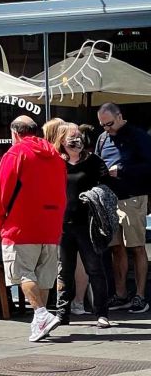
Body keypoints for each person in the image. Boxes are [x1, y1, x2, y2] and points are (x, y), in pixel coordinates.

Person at [0, 115, 67, 342]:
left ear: (15, 133)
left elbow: (1, 193)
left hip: (22, 224)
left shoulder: (15, 153)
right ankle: (40, 323)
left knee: (24, 273)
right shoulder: (56, 156)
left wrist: (0, 222)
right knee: (43, 278)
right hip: (51, 224)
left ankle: (41, 314)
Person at [49, 119, 112, 328]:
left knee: (95, 268)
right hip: (63, 225)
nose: (76, 141)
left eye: (78, 137)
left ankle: (102, 313)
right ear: (62, 141)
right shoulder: (56, 162)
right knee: (64, 271)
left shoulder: (93, 161)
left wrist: (97, 195)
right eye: (71, 138)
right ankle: (62, 314)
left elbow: (108, 187)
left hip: (88, 224)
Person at [95, 102, 151, 314]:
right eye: (102, 125)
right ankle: (120, 294)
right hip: (110, 198)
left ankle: (140, 295)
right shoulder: (103, 138)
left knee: (136, 246)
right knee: (115, 247)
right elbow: (99, 162)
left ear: (119, 117)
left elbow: (149, 165)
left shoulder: (138, 136)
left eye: (109, 124)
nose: (106, 129)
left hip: (132, 197)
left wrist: (124, 170)